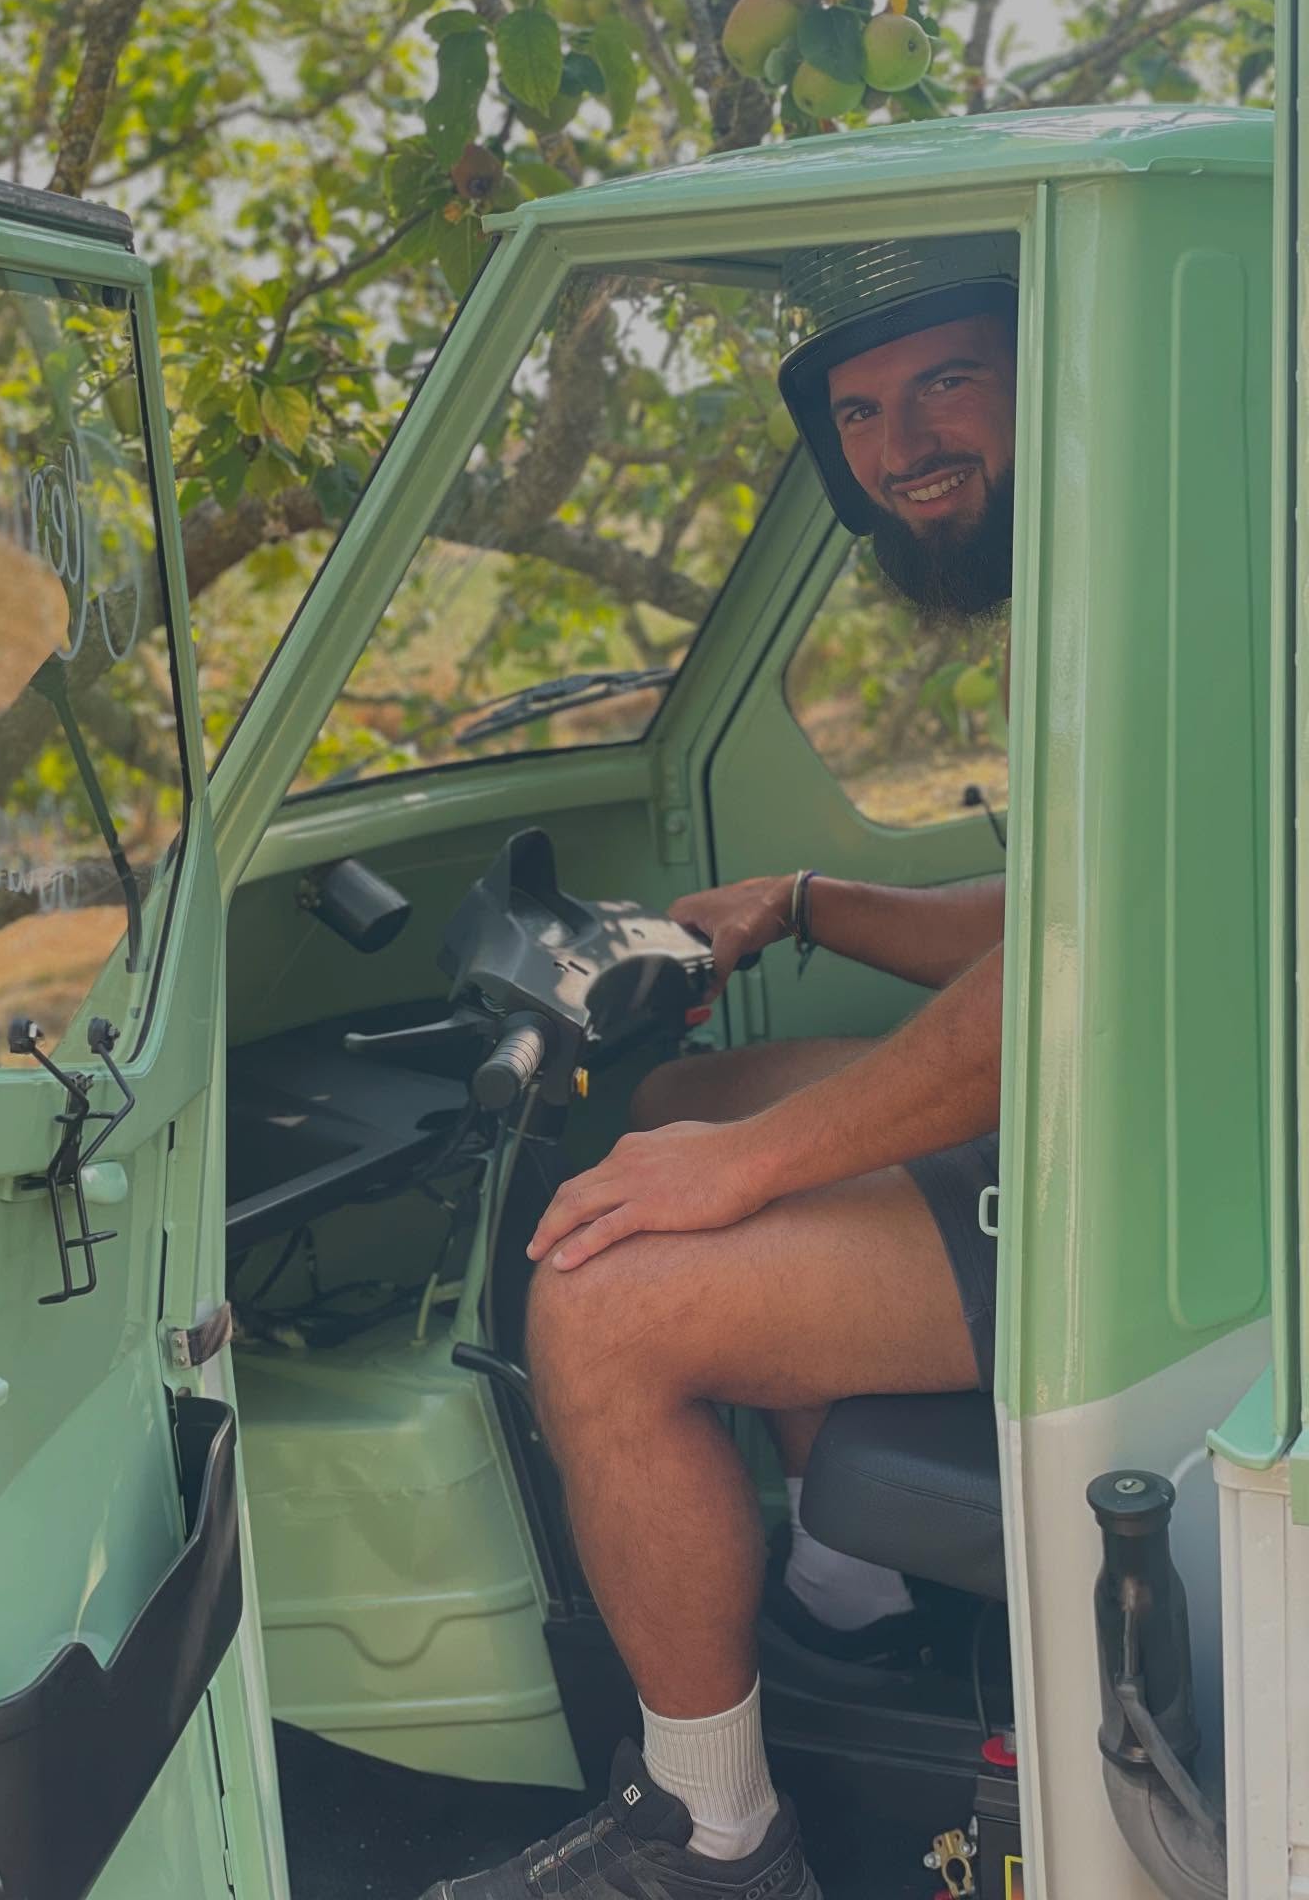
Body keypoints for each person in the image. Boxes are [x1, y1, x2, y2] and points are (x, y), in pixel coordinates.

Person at [417, 234, 1019, 1900]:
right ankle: (858, 1601)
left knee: (602, 1299)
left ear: (1056, 385)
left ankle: (715, 1838)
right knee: (686, 1104)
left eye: (951, 383)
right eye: (866, 415)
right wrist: (810, 901)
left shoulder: (1161, 594)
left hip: (1179, 1206)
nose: (904, 448)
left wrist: (751, 1176)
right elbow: (1056, 920)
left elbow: (1050, 987)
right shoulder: (1101, 592)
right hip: (1140, 1133)